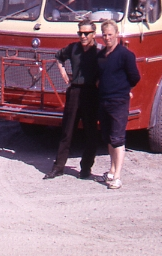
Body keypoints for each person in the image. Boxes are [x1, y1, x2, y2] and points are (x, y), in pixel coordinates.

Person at [44, 20, 100, 180]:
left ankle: (85, 169)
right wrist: (63, 73)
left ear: (93, 34)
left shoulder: (99, 51)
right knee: (67, 132)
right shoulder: (73, 48)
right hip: (74, 91)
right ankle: (58, 168)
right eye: (80, 33)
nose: (82, 36)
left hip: (91, 93)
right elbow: (58, 57)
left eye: (86, 33)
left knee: (91, 133)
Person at [95, 20, 141, 190]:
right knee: (108, 137)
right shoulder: (101, 56)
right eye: (104, 35)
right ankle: (112, 170)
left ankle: (118, 177)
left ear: (117, 35)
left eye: (110, 35)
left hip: (119, 101)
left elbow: (135, 77)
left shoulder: (125, 55)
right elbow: (99, 75)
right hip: (104, 100)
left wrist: (123, 89)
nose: (107, 38)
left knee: (117, 138)